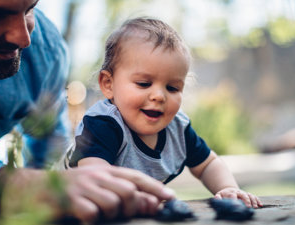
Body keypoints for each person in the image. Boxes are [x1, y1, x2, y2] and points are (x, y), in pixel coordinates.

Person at [0, 0, 174, 224]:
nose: (23, 39)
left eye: (30, 9)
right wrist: (15, 187)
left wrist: (42, 193)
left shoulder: (44, 52)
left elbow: (47, 144)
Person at [64, 17, 263, 209]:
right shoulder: (103, 124)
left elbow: (208, 164)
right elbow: (96, 176)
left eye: (172, 88)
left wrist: (228, 188)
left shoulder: (178, 128)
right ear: (108, 84)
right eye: (144, 84)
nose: (159, 96)